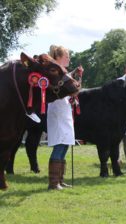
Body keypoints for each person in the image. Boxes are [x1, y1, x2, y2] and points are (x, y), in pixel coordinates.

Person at [47, 45, 82, 190]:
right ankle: (53, 183)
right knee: (60, 143)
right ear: (59, 58)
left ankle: (59, 180)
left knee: (65, 143)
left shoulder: (65, 73)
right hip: (57, 109)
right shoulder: (54, 72)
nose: (69, 59)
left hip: (64, 108)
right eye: (66, 56)